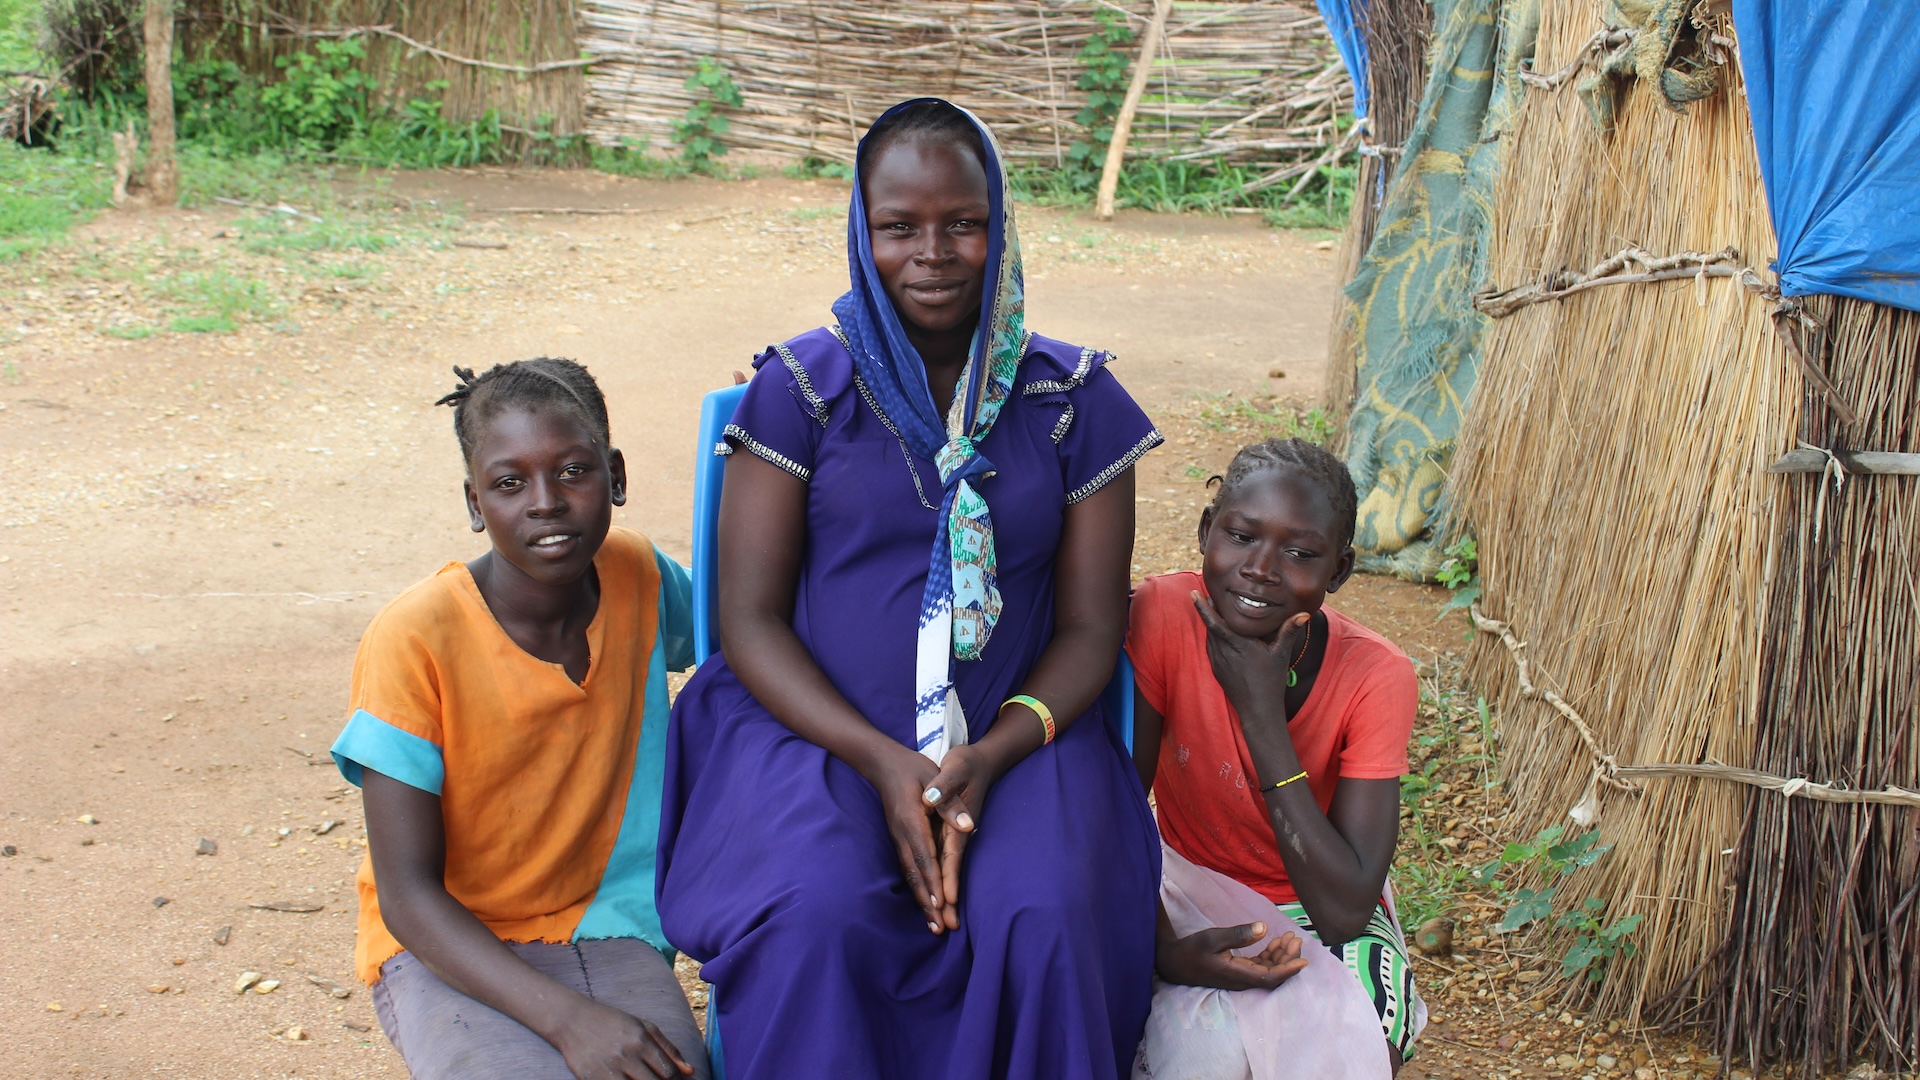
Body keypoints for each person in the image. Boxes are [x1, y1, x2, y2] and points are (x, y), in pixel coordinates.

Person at [655, 98, 1164, 1080]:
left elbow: (1096, 629)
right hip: (813, 730)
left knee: (1045, 912)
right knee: (816, 910)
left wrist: (990, 751)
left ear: (1000, 223)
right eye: (899, 227)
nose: (932, 253)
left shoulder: (1073, 404)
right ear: (862, 227)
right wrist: (884, 761)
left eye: (962, 223)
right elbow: (748, 622)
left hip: (1018, 734)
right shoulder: (804, 392)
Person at [329, 358, 710, 1080]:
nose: (547, 503)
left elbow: (748, 632)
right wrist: (570, 1021)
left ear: (617, 477)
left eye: (574, 472)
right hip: (447, 944)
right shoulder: (415, 637)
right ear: (475, 504)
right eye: (511, 483)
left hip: (607, 923)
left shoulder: (641, 576)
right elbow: (407, 896)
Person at [1125, 438, 1424, 1080]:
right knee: (1197, 1060)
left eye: (1300, 554)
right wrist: (1166, 950)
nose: (1261, 568)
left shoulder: (1376, 677)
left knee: (1359, 1037)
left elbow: (1343, 911)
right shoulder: (1162, 617)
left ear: (1338, 571)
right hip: (1180, 888)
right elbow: (1119, 805)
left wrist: (1262, 716)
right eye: (1240, 536)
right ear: (1207, 532)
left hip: (1313, 895)